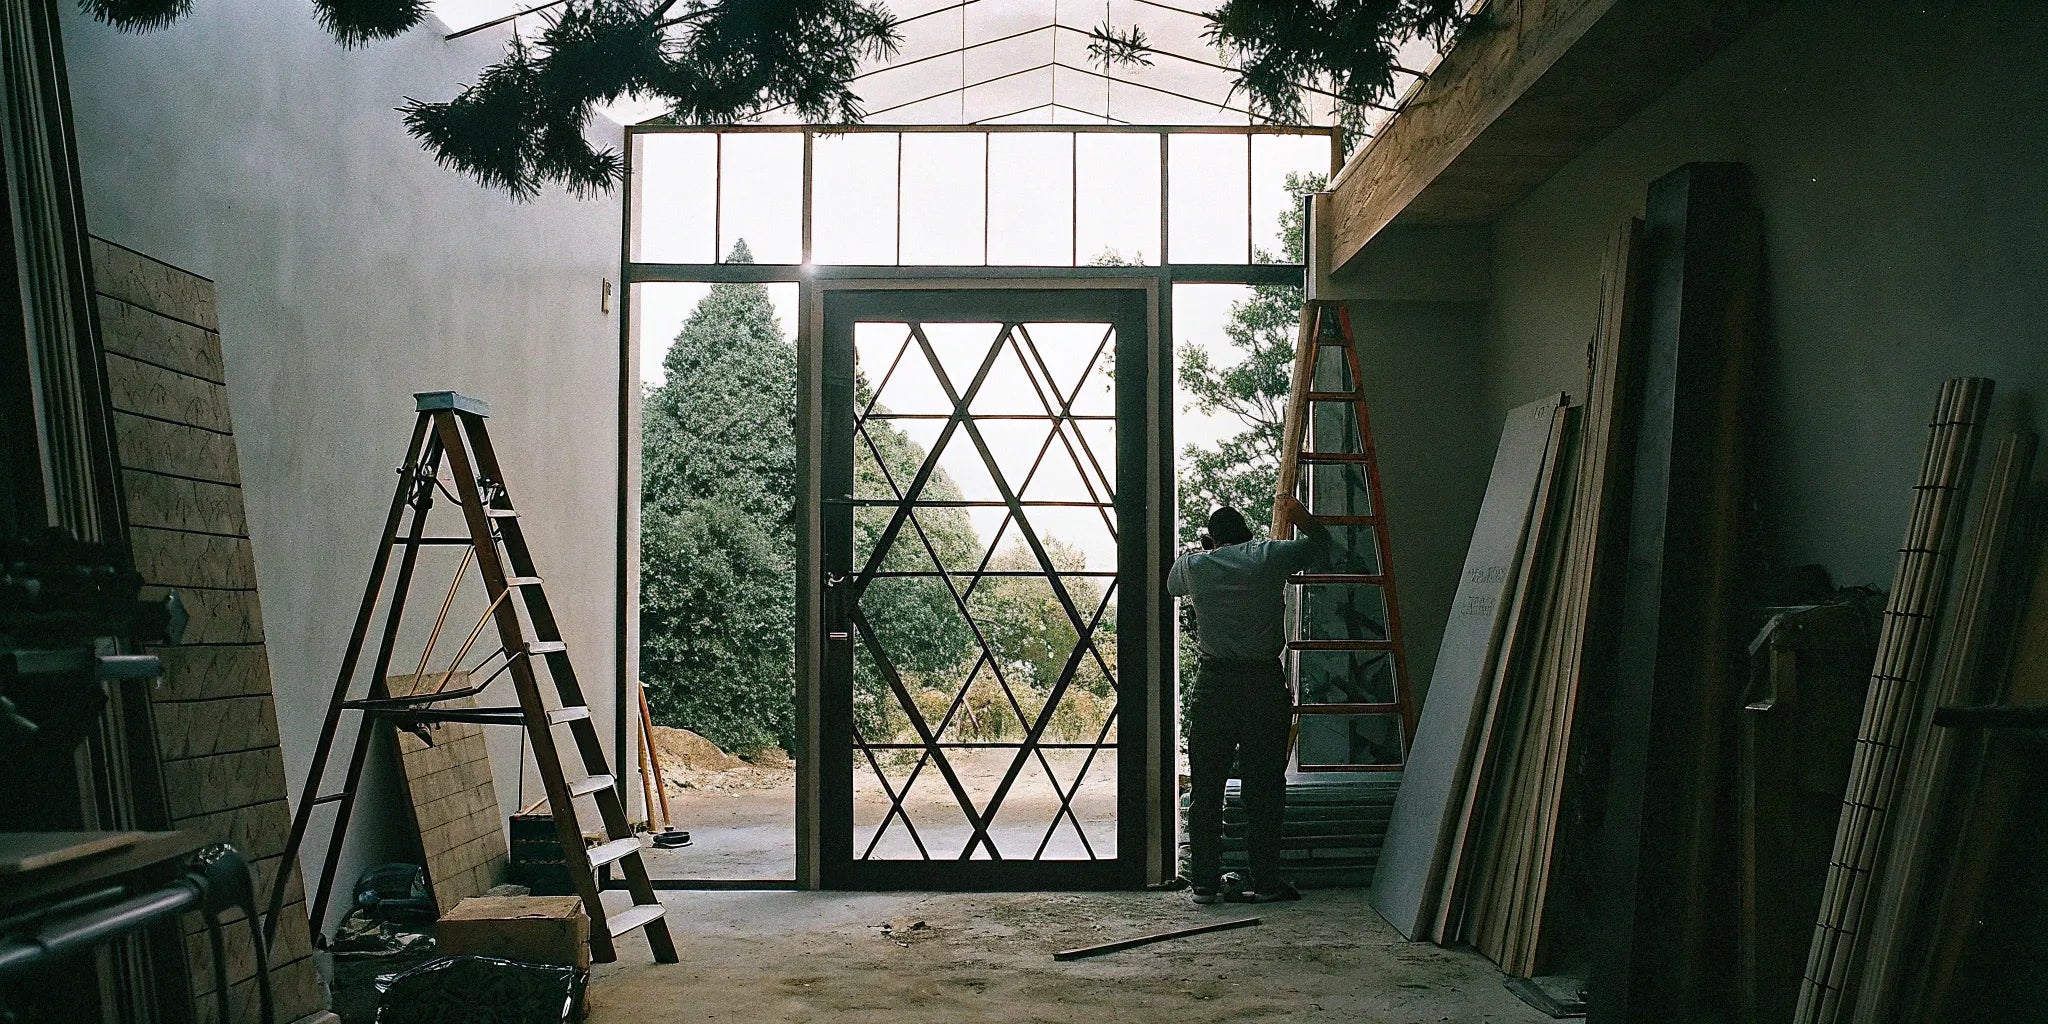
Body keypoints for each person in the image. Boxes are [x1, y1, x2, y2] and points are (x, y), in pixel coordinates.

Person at [1167, 494, 1331, 904]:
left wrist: (1206, 553)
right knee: (1265, 787)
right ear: (1246, 533)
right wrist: (1300, 517)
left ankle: (1204, 881)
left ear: (1211, 539)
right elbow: (1323, 546)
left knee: (1207, 786)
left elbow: (1170, 584)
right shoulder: (1267, 556)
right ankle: (1266, 880)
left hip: (1214, 683)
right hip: (1262, 682)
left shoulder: (1194, 566)